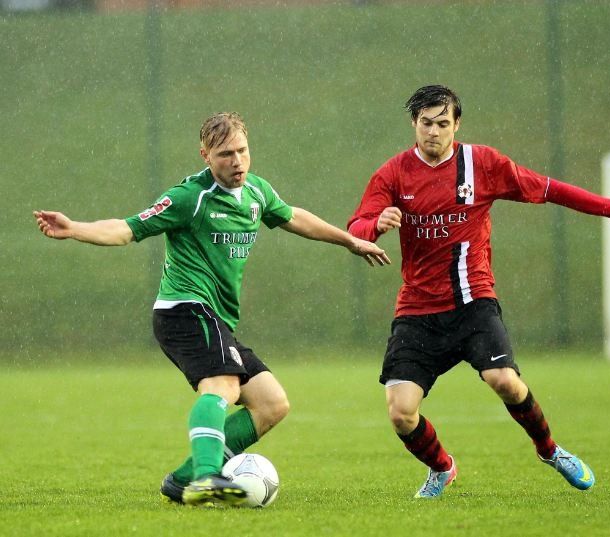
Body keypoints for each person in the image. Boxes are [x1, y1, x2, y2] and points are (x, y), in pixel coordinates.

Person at [34, 112, 390, 507]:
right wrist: (74, 228)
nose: (237, 161)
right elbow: (127, 228)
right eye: (225, 154)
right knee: (223, 385)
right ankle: (207, 476)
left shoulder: (257, 192)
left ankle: (182, 480)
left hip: (214, 318)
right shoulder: (188, 198)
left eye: (242, 151)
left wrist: (349, 241)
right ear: (205, 155)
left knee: (271, 404)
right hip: (184, 309)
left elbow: (293, 216)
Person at [347, 85, 610, 498]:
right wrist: (375, 225)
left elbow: (547, 188)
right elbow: (356, 228)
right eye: (426, 123)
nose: (434, 132)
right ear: (413, 124)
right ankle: (442, 467)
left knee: (505, 380)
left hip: (473, 302)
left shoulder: (482, 164)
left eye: (442, 123)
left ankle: (549, 450)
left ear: (457, 124)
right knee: (401, 413)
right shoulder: (393, 173)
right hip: (417, 310)